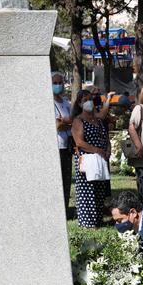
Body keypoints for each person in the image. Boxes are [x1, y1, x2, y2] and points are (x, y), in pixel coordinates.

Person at [71, 90, 111, 228]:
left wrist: (107, 150)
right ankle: (87, 222)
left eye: (90, 99)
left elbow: (104, 136)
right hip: (87, 159)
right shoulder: (78, 120)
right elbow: (79, 142)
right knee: (87, 191)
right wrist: (97, 150)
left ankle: (98, 220)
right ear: (80, 103)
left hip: (100, 159)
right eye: (85, 100)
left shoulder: (97, 119)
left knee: (99, 190)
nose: (89, 102)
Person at [52, 72, 72, 211]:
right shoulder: (48, 103)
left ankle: (65, 207)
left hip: (67, 145)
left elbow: (73, 121)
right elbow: (56, 125)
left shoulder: (65, 103)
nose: (58, 85)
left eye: (60, 82)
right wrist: (66, 122)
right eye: (55, 83)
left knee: (66, 178)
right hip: (56, 145)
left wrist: (63, 121)